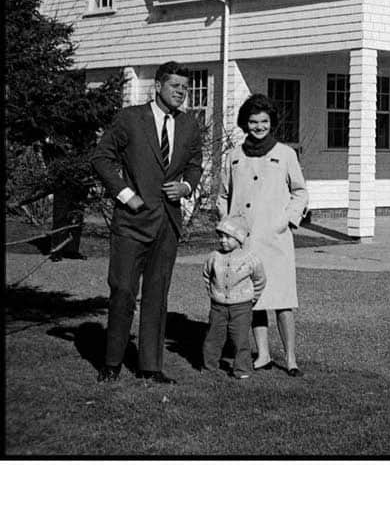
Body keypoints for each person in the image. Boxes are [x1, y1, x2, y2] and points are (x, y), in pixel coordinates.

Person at [91, 61, 203, 383]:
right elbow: (101, 158)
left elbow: (194, 165)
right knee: (124, 291)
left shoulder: (189, 125)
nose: (181, 93)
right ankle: (112, 362)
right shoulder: (130, 119)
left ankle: (150, 367)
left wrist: (187, 186)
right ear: (157, 86)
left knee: (157, 295)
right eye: (175, 87)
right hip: (132, 222)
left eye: (184, 88)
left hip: (167, 223)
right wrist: (126, 194)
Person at [219, 94, 308, 376]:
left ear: (272, 123)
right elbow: (223, 195)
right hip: (244, 241)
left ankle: (291, 358)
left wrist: (286, 220)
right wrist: (228, 225)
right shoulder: (233, 156)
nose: (258, 127)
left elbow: (300, 192)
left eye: (264, 121)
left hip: (275, 238)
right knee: (253, 299)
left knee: (282, 300)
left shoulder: (285, 154)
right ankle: (263, 354)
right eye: (253, 121)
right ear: (245, 123)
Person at [201, 213, 266, 380]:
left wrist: (252, 297)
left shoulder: (250, 258)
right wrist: (213, 293)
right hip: (218, 306)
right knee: (213, 337)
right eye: (221, 236)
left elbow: (260, 279)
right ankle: (209, 366)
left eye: (228, 237)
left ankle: (242, 369)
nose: (223, 240)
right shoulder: (214, 257)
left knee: (240, 338)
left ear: (239, 239)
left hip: (242, 306)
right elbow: (207, 276)